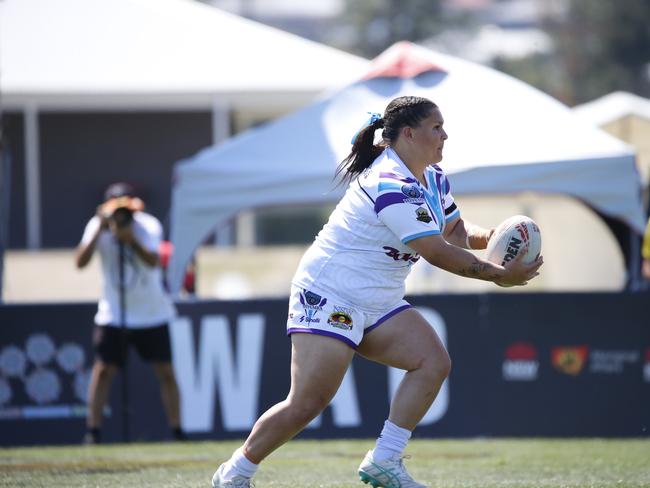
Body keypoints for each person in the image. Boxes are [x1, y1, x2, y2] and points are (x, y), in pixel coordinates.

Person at [210, 96, 543, 488]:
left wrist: (493, 236)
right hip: (329, 292)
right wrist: (497, 275)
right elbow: (435, 251)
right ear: (408, 133)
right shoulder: (390, 182)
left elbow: (452, 231)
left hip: (378, 297)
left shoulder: (433, 176)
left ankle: (384, 460)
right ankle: (235, 473)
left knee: (433, 363)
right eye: (436, 127)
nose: (445, 135)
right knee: (307, 403)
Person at [76, 182, 184, 444]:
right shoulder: (96, 226)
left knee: (166, 372)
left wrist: (130, 240)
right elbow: (80, 262)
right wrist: (99, 231)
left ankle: (177, 431)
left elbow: (153, 261)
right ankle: (93, 432)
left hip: (151, 311)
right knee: (103, 371)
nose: (121, 217)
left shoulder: (147, 224)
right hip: (113, 312)